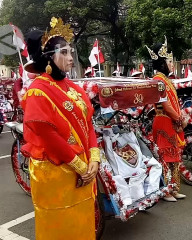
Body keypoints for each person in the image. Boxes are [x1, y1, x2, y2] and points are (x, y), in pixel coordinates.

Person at [21, 18, 99, 240]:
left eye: (70, 51)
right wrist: (80, 166)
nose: (70, 57)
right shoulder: (38, 91)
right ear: (48, 58)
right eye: (64, 52)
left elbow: (88, 123)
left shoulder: (75, 88)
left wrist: (94, 159)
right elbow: (47, 136)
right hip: (58, 174)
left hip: (83, 170)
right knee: (61, 230)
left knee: (83, 227)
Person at [146, 37, 186, 202]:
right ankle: (165, 191)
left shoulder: (166, 80)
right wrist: (179, 118)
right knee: (165, 157)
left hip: (171, 122)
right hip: (163, 121)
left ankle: (174, 188)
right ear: (161, 63)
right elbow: (166, 104)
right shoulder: (158, 81)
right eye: (169, 61)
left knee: (174, 156)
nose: (172, 64)